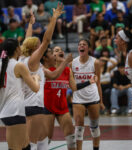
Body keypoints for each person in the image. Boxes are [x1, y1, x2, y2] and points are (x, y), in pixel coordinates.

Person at [20, 4, 69, 150]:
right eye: (38, 45)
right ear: (35, 48)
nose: (41, 45)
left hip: (35, 105)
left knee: (43, 139)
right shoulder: (32, 61)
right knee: (33, 143)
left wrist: (30, 24)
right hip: (32, 105)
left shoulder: (26, 59)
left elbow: (53, 75)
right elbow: (47, 40)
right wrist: (53, 18)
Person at [42, 46, 98, 150]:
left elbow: (74, 87)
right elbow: (54, 75)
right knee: (46, 139)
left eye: (61, 50)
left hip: (62, 107)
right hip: (48, 107)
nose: (61, 51)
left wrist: (89, 82)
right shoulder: (46, 69)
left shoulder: (67, 70)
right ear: (52, 56)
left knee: (71, 139)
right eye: (57, 50)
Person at [0, 38, 40, 150]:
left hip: (7, 110)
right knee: (16, 148)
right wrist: (36, 78)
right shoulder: (19, 65)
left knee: (26, 146)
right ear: (17, 49)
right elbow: (35, 88)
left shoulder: (3, 64)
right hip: (15, 111)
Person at [71, 39, 105, 150]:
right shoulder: (73, 63)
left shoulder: (95, 62)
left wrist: (101, 101)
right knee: (79, 127)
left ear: (88, 48)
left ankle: (96, 148)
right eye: (79, 44)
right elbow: (72, 84)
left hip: (93, 97)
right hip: (78, 98)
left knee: (94, 126)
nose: (81, 46)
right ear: (78, 48)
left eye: (84, 44)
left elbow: (98, 83)